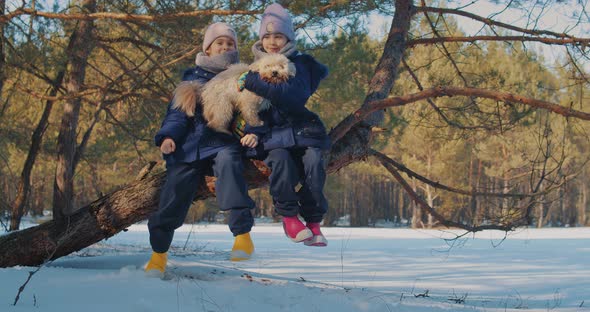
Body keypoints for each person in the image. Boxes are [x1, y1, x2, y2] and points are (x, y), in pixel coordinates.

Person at [146, 22, 257, 276]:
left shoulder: (242, 79)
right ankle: (158, 254)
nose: (225, 47)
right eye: (220, 43)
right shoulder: (190, 80)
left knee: (230, 163)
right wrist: (168, 138)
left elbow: (250, 114)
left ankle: (242, 235)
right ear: (207, 49)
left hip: (222, 143)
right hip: (190, 149)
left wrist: (252, 133)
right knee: (173, 194)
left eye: (230, 44)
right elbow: (176, 116)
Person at [240, 4, 330, 246]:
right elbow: (249, 106)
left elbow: (294, 95)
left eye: (278, 36)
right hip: (270, 134)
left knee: (314, 162)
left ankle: (313, 220)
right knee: (279, 161)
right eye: (267, 36)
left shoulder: (302, 65)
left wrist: (253, 83)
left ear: (288, 37)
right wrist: (251, 132)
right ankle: (290, 217)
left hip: (303, 131)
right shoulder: (252, 68)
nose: (272, 41)